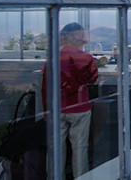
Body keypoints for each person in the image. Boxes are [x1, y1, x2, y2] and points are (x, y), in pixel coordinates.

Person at [42, 23, 99, 178]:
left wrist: (46, 110)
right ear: (81, 37)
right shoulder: (86, 58)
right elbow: (92, 79)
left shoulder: (53, 58)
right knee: (80, 148)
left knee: (55, 148)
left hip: (57, 108)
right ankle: (81, 177)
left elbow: (46, 86)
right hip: (79, 108)